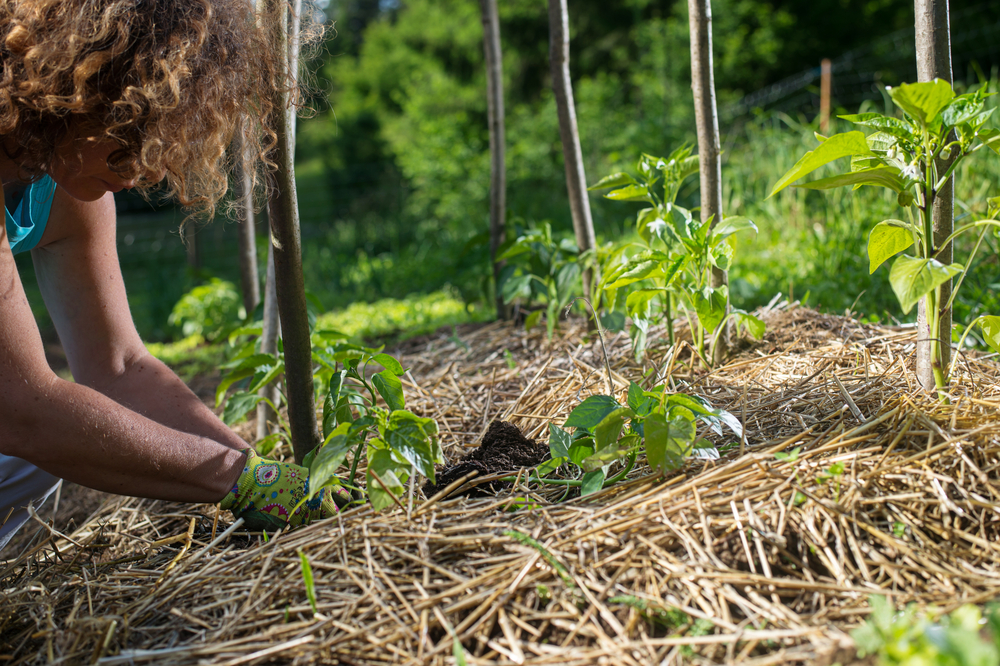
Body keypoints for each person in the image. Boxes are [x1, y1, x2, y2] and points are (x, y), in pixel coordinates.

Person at [0, 0, 345, 551]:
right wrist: (236, 482)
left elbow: (119, 366)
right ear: (76, 94)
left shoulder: (62, 190)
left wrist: (251, 468)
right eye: (134, 134)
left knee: (26, 463)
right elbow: (21, 408)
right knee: (32, 441)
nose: (153, 168)